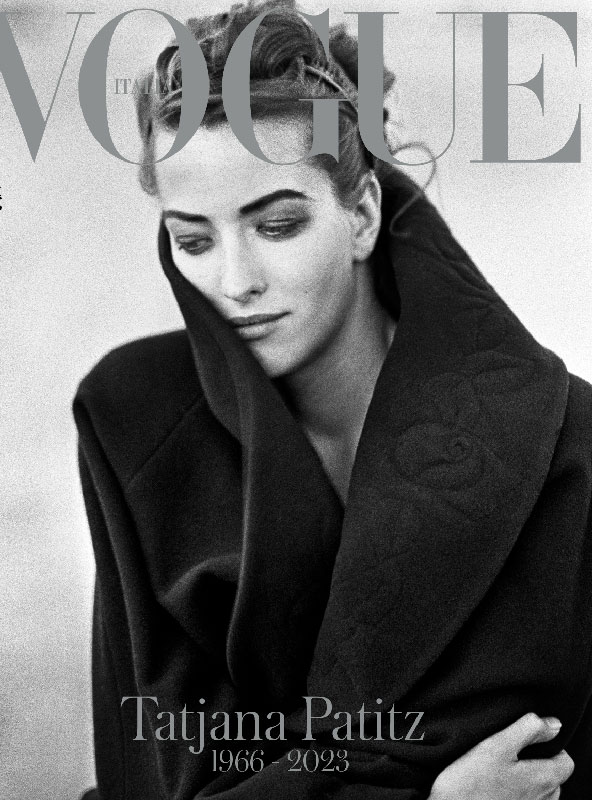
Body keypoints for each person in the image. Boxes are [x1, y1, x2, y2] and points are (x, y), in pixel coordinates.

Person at [73, 2, 591, 798]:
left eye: (278, 225)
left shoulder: (562, 443)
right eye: (193, 240)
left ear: (363, 215)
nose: (235, 282)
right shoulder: (131, 425)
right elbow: (153, 773)